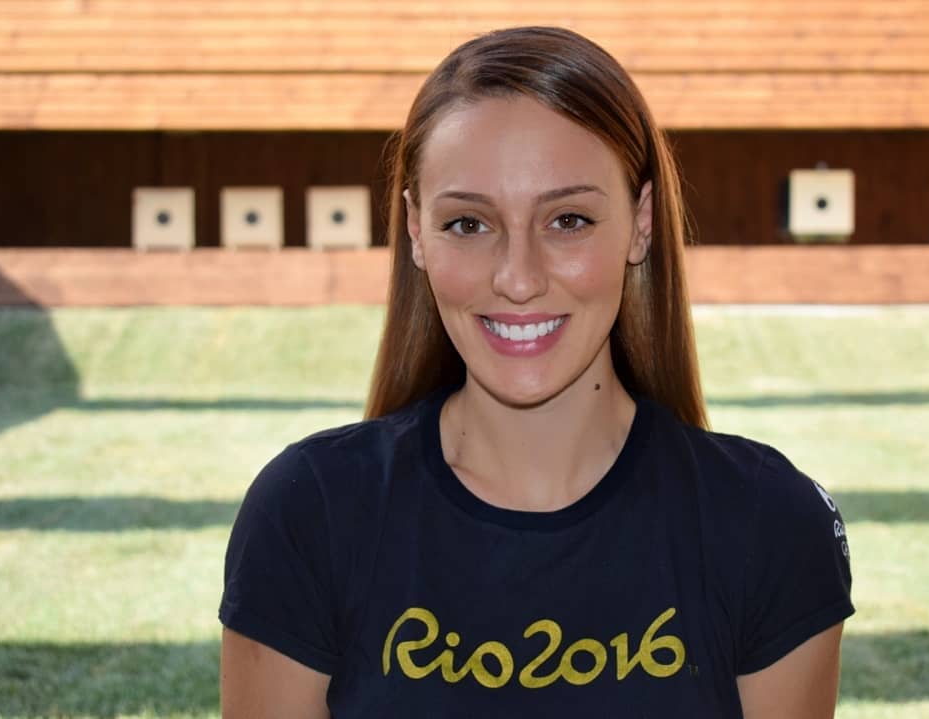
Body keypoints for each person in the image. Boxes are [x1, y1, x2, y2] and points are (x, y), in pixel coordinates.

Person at [219, 25, 853, 718]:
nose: (518, 279)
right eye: (468, 224)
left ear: (641, 221)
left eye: (568, 219)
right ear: (416, 231)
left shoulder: (767, 524)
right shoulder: (309, 515)